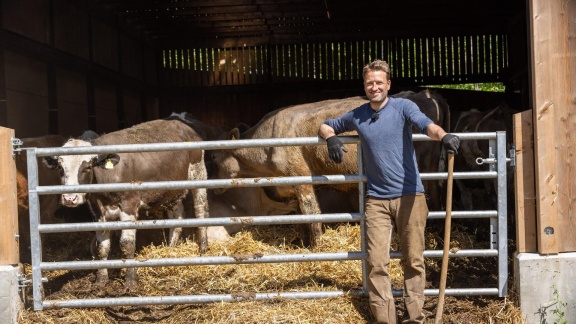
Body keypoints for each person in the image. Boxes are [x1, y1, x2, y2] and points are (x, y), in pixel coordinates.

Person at [318, 60, 460, 324]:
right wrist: (331, 138)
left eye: (379, 82)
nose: (374, 87)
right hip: (377, 201)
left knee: (414, 260)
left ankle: (414, 318)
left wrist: (443, 136)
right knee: (376, 263)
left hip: (411, 196)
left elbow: (426, 124)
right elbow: (327, 125)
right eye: (370, 83)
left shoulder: (403, 107)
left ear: (388, 84)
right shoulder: (358, 114)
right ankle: (386, 319)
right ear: (365, 85)